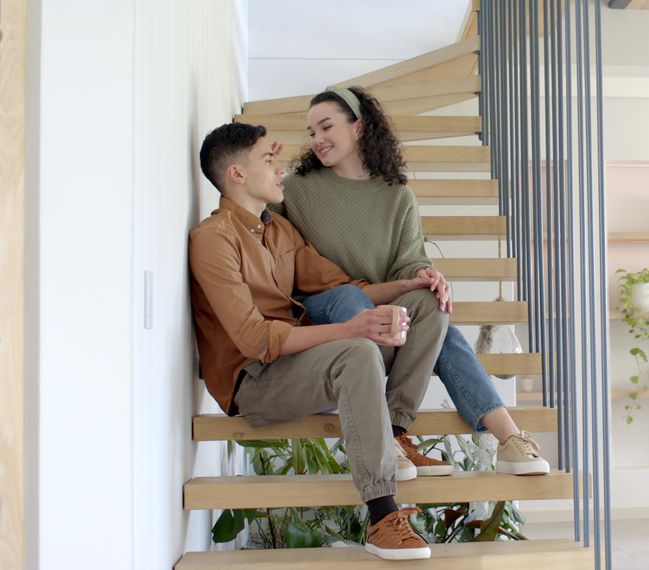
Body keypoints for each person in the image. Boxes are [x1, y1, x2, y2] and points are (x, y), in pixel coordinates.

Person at [271, 85, 549, 477]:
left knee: (433, 305)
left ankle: (399, 430)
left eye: (326, 127)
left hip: (383, 319)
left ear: (359, 128)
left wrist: (427, 277)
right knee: (353, 299)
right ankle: (496, 433)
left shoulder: (397, 196)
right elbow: (261, 230)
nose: (316, 139)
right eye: (311, 132)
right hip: (324, 313)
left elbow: (408, 263)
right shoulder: (298, 189)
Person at [190, 122, 433, 560]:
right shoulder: (213, 241)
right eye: (268, 160)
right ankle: (381, 515)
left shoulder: (279, 232)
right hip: (253, 380)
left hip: (299, 361)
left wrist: (412, 286)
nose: (280, 169)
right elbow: (255, 339)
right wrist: (349, 330)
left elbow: (344, 286)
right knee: (357, 352)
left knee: (426, 303)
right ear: (237, 174)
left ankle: (395, 431)